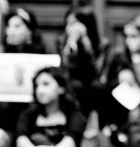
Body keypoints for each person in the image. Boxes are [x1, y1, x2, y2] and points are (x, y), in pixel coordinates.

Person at [0, 8, 46, 141]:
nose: (11, 31)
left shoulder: (42, 53)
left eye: (17, 26)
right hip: (6, 117)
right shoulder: (4, 53)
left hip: (34, 116)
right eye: (9, 26)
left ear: (29, 31)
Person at [58, 6, 109, 117]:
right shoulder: (62, 41)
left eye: (74, 24)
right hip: (73, 79)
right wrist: (71, 44)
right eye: (68, 24)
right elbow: (64, 69)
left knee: (97, 87)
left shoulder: (103, 43)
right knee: (75, 85)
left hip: (93, 79)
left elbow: (98, 70)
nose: (70, 28)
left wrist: (87, 45)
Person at [15, 66, 85, 147]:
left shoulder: (73, 114)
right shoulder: (28, 114)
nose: (40, 90)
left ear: (61, 88)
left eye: (46, 84)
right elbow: (21, 139)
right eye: (37, 85)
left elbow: (72, 140)